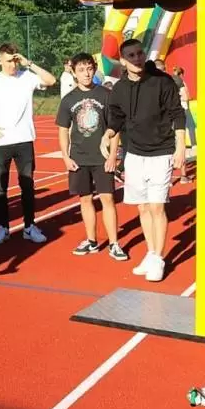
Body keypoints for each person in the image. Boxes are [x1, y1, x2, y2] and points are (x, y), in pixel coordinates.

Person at [100, 39, 186, 282]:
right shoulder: (119, 88)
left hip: (161, 151)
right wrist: (107, 134)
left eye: (139, 53)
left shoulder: (162, 81)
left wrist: (180, 147)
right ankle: (150, 252)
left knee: (157, 207)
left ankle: (158, 258)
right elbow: (116, 118)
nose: (137, 58)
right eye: (131, 55)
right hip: (134, 154)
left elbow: (177, 113)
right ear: (123, 60)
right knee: (143, 207)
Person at [0, 43, 56, 244]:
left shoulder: (27, 77)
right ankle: (3, 228)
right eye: (8, 61)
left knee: (27, 186)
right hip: (0, 143)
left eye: (15, 61)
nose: (12, 65)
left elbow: (51, 80)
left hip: (24, 141)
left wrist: (28, 63)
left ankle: (29, 227)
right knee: (0, 188)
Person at [56, 53, 127, 260]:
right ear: (73, 72)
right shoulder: (68, 99)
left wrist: (113, 156)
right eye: (81, 70)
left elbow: (115, 127)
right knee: (85, 199)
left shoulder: (106, 95)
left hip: (102, 158)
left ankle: (114, 243)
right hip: (79, 158)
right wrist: (65, 157)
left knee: (107, 198)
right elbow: (63, 130)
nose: (86, 74)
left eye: (89, 69)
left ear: (94, 69)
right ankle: (91, 241)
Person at [171, 65, 193, 184]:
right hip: (179, 115)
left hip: (168, 115)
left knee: (169, 145)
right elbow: (186, 97)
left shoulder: (167, 81)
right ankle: (183, 176)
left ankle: (168, 178)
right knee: (180, 143)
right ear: (181, 74)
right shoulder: (180, 82)